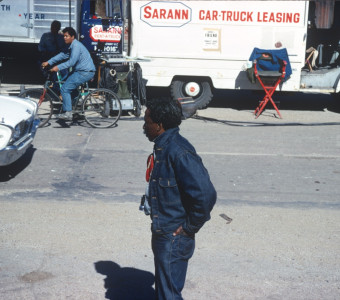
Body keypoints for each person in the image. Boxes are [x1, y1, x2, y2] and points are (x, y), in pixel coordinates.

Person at [142, 97, 217, 300]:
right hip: (165, 232)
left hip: (173, 237)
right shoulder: (163, 148)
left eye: (146, 122)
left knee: (169, 296)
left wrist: (189, 227)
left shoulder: (179, 152)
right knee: (166, 292)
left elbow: (205, 194)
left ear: (159, 125)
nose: (143, 127)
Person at [41, 27, 96, 121]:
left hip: (84, 72)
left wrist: (57, 67)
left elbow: (71, 62)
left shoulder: (76, 46)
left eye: (66, 36)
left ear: (72, 37)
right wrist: (49, 62)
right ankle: (75, 110)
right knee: (68, 84)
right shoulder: (71, 46)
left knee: (65, 89)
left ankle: (68, 113)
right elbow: (62, 55)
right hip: (80, 71)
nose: (64, 38)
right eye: (64, 36)